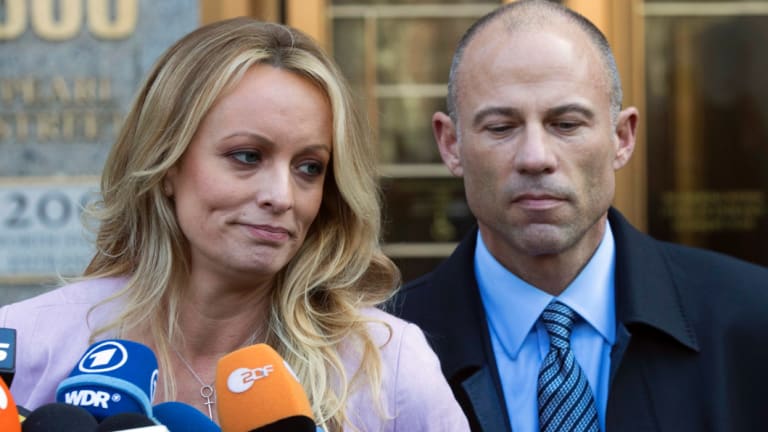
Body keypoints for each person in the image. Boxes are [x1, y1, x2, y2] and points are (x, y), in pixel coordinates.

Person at [0, 18, 470, 431]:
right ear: (167, 165)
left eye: (309, 167)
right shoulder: (27, 346)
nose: (282, 197)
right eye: (246, 156)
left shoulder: (386, 366)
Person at [389, 1, 768, 431]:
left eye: (566, 124)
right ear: (450, 144)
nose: (535, 157)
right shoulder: (379, 350)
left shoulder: (751, 324)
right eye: (500, 127)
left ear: (622, 137)